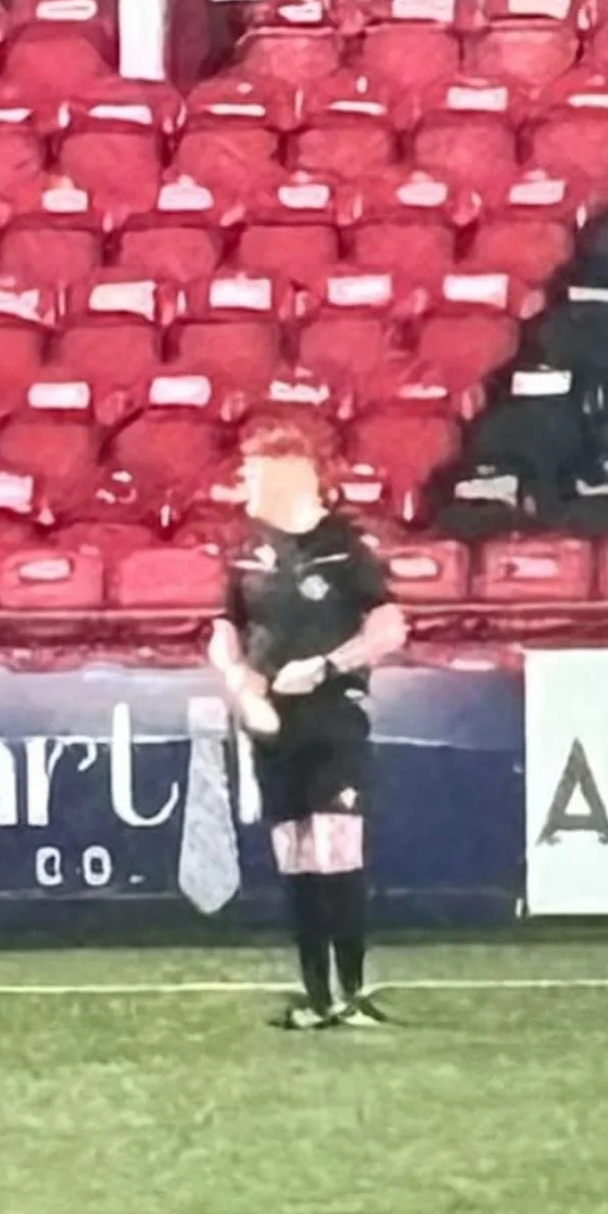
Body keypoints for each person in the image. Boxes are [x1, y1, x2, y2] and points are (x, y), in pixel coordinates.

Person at [209, 416, 408, 1029]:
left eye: (255, 471)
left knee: (335, 843)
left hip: (333, 715)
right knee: (295, 853)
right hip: (272, 724)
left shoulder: (347, 544)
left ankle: (352, 991)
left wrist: (325, 667)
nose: (244, 482)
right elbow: (224, 631)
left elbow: (389, 628)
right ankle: (317, 997)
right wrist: (240, 683)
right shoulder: (245, 548)